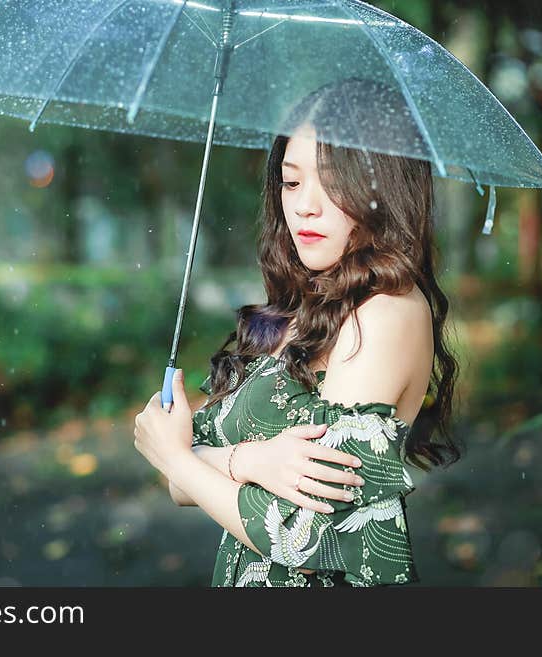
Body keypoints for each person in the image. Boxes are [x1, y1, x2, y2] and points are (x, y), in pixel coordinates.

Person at [133, 79, 463, 587]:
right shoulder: (304, 309)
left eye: (332, 183)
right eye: (291, 182)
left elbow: (311, 538)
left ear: (384, 189)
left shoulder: (387, 314)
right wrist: (250, 460)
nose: (305, 206)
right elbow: (179, 486)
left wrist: (181, 456)